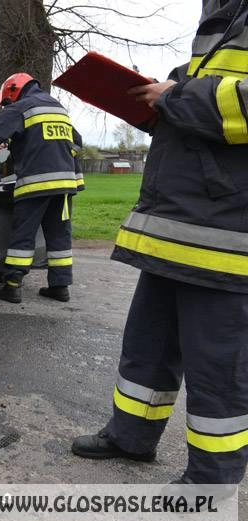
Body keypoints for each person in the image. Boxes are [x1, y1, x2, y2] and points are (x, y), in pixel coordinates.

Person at [72, 0, 248, 486]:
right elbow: (199, 109)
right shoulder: (216, 35)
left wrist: (175, 98)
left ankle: (213, 480)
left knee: (218, 368)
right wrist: (152, 102)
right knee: (146, 348)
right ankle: (130, 437)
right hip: (177, 228)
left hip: (226, 239)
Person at [0, 73, 83, 304]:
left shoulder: (22, 107)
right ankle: (60, 287)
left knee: (23, 234)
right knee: (59, 235)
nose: (8, 105)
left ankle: (12, 286)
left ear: (13, 91)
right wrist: (61, 155)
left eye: (7, 102)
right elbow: (78, 142)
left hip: (37, 183)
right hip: (66, 184)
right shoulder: (58, 108)